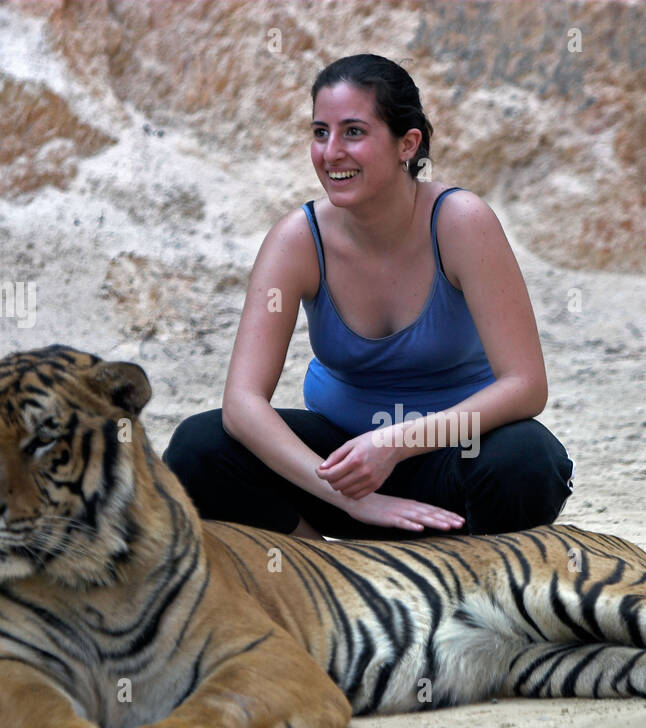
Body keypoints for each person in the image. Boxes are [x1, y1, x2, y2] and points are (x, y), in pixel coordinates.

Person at [164, 54, 573, 539]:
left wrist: (395, 444)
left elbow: (526, 385)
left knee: (527, 458)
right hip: (345, 474)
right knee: (198, 447)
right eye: (321, 132)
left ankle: (475, 569)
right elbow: (242, 403)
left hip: (456, 461)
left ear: (407, 144)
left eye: (353, 132)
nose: (330, 152)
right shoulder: (297, 240)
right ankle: (325, 571)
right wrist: (353, 497)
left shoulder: (461, 221)